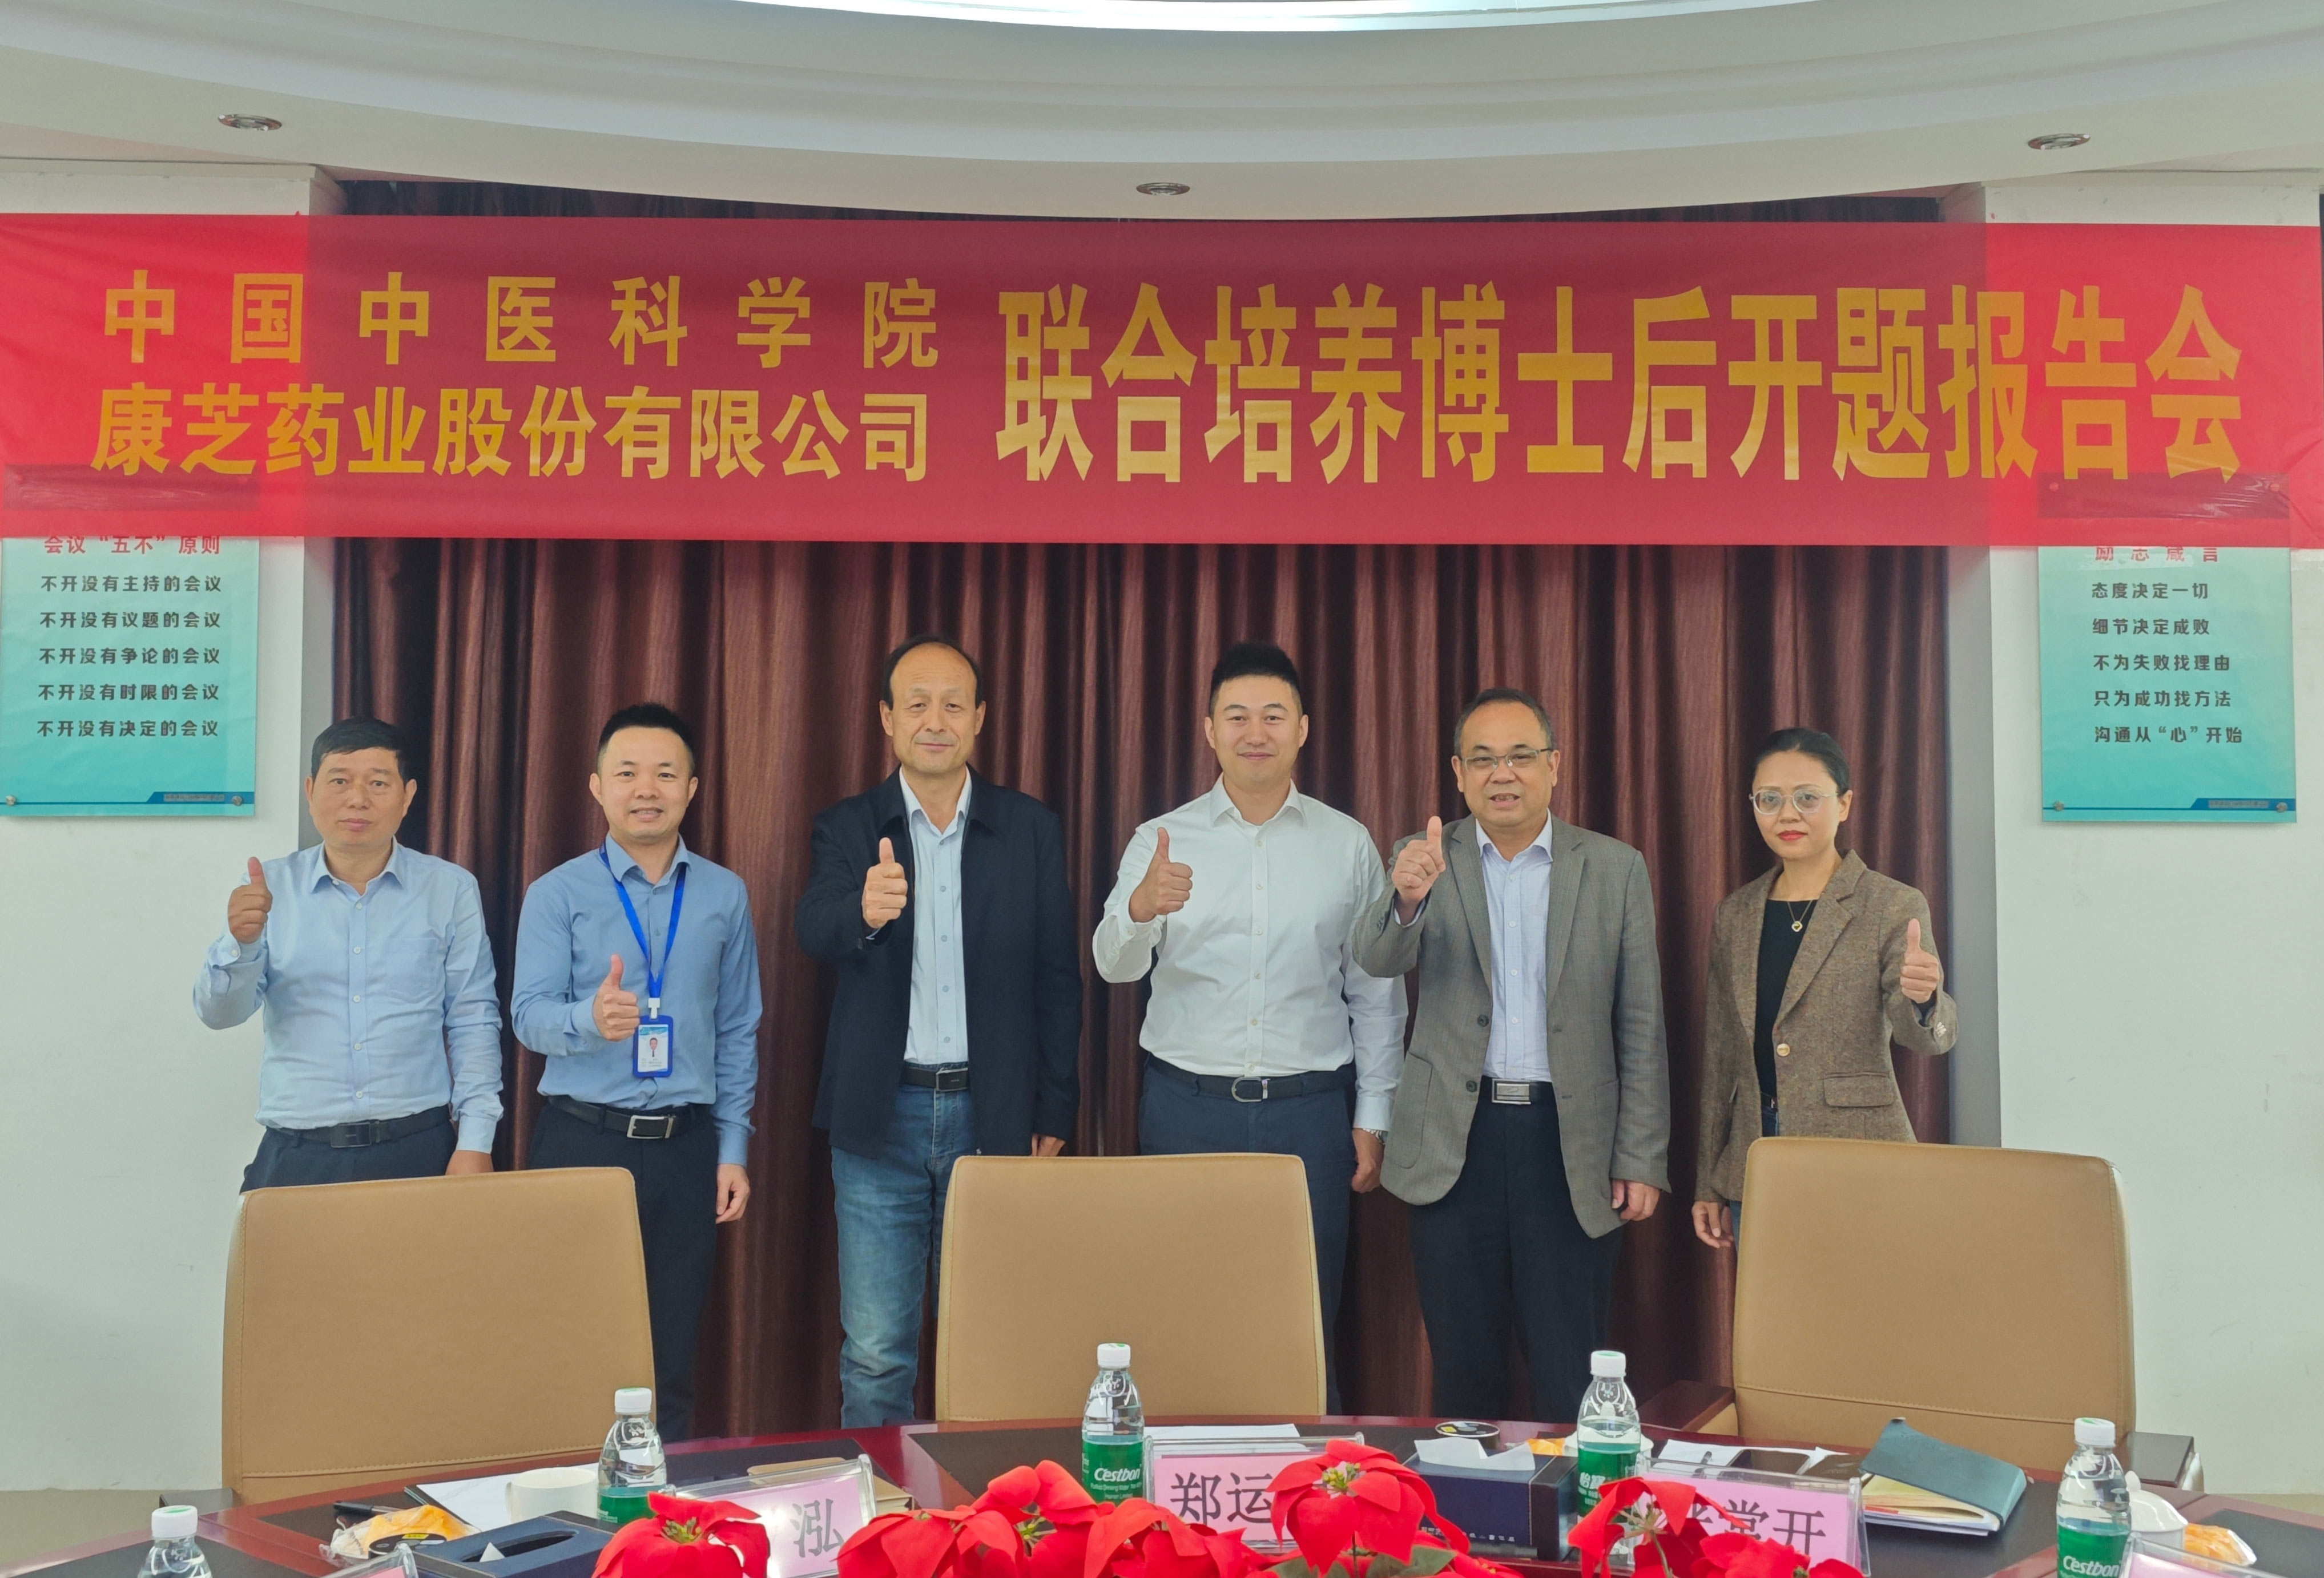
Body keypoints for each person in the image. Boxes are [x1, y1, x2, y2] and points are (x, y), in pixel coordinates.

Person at [1351, 687, 1669, 1424]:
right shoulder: (1425, 856)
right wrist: (1406, 899)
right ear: (1458, 773)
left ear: (1553, 766)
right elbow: (1375, 958)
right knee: (1464, 1370)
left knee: (1569, 1367)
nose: (1503, 773)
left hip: (1569, 1142)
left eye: (1520, 756)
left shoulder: (1614, 867)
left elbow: (1640, 1022)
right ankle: (1467, 1500)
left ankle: (1573, 1501)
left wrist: (1640, 1154)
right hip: (1454, 1142)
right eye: (1484, 758)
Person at [1093, 641, 1404, 1390]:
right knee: (1182, 1318)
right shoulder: (1161, 839)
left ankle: (1307, 1466)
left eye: (1272, 715)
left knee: (1302, 1325)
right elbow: (1112, 964)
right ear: (1209, 729)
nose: (1254, 732)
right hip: (1185, 1111)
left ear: (1302, 728)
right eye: (1236, 716)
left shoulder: (1345, 844)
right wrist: (1140, 908)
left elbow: (1374, 989)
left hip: (1310, 1119)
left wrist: (1374, 1114)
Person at [795, 635, 1082, 1428]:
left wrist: (1054, 1109)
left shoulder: (1027, 827)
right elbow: (811, 926)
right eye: (916, 703)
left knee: (990, 1339)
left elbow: (1058, 977)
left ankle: (986, 1502)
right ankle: (884, 1501)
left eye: (953, 704)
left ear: (979, 718)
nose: (935, 720)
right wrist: (862, 910)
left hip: (994, 1117)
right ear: (886, 718)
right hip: (878, 1117)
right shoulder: (849, 825)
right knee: (877, 1351)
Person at [511, 703, 762, 1442]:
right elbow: (526, 1016)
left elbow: (737, 1028)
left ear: (692, 788)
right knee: (572, 1340)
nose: (645, 789)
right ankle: (574, 1502)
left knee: (669, 1354)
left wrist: (732, 1150)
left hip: (686, 1147)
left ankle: (662, 1503)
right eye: (626, 773)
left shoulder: (724, 893)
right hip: (581, 1141)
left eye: (664, 773)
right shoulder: (556, 893)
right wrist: (589, 1018)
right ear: (596, 787)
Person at [194, 717, 503, 1191]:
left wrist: (476, 1143)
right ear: (310, 790)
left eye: (378, 783)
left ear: (407, 796)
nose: (357, 799)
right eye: (339, 781)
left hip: (419, 1147)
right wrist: (241, 942)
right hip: (298, 1154)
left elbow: (473, 1018)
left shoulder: (449, 889)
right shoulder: (269, 887)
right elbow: (220, 1014)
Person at [1691, 728, 1957, 1250]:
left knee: (1861, 1300)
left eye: (1807, 797)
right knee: (1772, 1303)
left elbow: (1925, 1040)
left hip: (1860, 1156)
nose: (1787, 814)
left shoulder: (1890, 904)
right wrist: (1708, 1178)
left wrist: (1925, 999)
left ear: (1844, 804)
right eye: (1769, 799)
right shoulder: (1736, 913)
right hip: (1754, 1155)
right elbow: (1721, 1055)